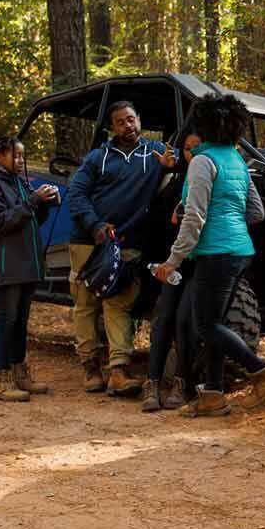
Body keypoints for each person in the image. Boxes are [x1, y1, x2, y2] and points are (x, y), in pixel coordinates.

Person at [152, 95, 265, 417]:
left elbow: (194, 217)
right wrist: (227, 218)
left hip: (215, 253)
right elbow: (256, 211)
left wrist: (173, 260)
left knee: (205, 325)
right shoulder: (238, 161)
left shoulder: (202, 161)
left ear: (204, 124)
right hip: (240, 252)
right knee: (214, 323)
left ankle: (264, 373)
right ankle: (213, 393)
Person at [65, 100, 176, 397]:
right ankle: (90, 367)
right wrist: (95, 224)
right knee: (86, 303)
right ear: (112, 127)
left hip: (125, 241)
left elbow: (176, 163)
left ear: (139, 119)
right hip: (88, 239)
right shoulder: (97, 158)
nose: (128, 126)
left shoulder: (155, 154)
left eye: (131, 119)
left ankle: (118, 370)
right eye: (120, 122)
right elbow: (75, 194)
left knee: (118, 300)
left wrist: (171, 163)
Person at [0, 135, 59, 402]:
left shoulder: (19, 184)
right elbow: (0, 223)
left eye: (23, 156)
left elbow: (29, 219)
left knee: (21, 321)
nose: (20, 160)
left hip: (26, 262)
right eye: (15, 155)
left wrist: (45, 203)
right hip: (6, 264)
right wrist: (33, 201)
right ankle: (1, 380)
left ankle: (19, 373)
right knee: (6, 319)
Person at [141, 132, 202, 413]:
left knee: (184, 320)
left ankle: (181, 383)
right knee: (164, 317)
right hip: (169, 261)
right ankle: (152, 383)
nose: (191, 153)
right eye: (187, 149)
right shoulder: (174, 179)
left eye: (196, 148)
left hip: (196, 262)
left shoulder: (207, 177)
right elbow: (152, 212)